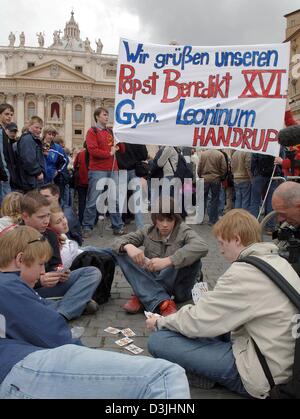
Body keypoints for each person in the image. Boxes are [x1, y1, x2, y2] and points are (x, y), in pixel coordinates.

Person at [0, 226, 190, 399]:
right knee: (167, 375)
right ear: (20, 259)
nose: (43, 271)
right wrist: (89, 357)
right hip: (19, 368)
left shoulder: (10, 286)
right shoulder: (8, 286)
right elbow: (53, 334)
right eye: (40, 265)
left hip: (22, 364)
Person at [146, 209, 300, 399]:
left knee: (159, 340)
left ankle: (207, 375)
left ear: (236, 239)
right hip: (281, 358)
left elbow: (198, 321)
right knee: (206, 326)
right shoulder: (279, 261)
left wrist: (161, 321)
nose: (220, 250)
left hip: (262, 375)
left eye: (221, 243)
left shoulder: (243, 273)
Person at [110, 198, 208, 316]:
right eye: (161, 220)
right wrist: (128, 247)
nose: (165, 224)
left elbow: (202, 246)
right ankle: (164, 301)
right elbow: (116, 242)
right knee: (121, 251)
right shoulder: (147, 230)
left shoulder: (184, 231)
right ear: (155, 219)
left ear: (175, 219)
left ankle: (143, 295)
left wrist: (168, 260)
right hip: (154, 276)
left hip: (179, 287)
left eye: (169, 220)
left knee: (189, 257)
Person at [20, 192, 101, 320]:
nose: (46, 221)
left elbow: (55, 264)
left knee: (92, 272)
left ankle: (61, 312)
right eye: (41, 217)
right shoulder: (15, 238)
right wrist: (39, 280)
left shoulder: (50, 234)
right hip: (27, 291)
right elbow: (8, 278)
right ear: (25, 216)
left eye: (48, 215)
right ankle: (70, 307)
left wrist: (60, 273)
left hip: (50, 287)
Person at [82, 107, 126, 237]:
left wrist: (119, 138)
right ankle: (87, 227)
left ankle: (117, 226)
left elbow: (122, 150)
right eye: (104, 115)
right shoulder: (92, 131)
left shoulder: (111, 132)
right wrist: (109, 153)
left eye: (107, 115)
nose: (107, 117)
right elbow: (92, 150)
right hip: (97, 170)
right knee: (93, 200)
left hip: (113, 170)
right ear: (97, 117)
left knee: (115, 200)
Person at [198, 149, 227, 225]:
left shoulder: (203, 154)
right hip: (216, 179)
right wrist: (221, 177)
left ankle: (200, 219)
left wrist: (200, 176)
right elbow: (224, 168)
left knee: (202, 199)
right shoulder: (220, 154)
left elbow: (199, 167)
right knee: (214, 200)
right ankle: (212, 220)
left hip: (205, 178)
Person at [17, 116, 45, 192]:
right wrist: (38, 172)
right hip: (31, 180)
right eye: (36, 127)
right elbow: (28, 160)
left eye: (40, 128)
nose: (39, 130)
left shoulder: (31, 139)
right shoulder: (28, 139)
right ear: (29, 126)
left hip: (31, 179)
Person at [0, 104, 15, 203]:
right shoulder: (1, 132)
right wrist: (4, 173)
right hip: (3, 174)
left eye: (11, 114)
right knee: (7, 204)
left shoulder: (3, 131)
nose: (9, 116)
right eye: (6, 114)